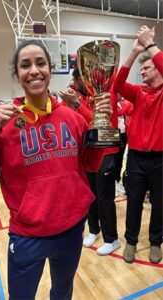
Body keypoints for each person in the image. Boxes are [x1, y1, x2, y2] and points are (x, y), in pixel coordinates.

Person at [0, 40, 111, 299]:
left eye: (40, 63)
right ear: (17, 74)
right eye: (25, 65)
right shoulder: (6, 125)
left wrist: (101, 126)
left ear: (50, 69)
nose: (34, 70)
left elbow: (90, 163)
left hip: (70, 228)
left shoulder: (72, 118)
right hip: (28, 234)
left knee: (62, 291)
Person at [113, 25, 163, 264]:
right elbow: (117, 85)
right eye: (140, 68)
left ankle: (155, 242)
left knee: (160, 203)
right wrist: (134, 52)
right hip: (136, 158)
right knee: (134, 202)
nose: (141, 72)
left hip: (160, 159)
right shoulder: (138, 93)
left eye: (146, 67)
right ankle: (131, 241)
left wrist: (151, 45)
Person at [60, 67, 121, 256]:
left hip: (106, 151)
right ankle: (94, 230)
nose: (75, 85)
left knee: (105, 198)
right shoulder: (83, 97)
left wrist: (76, 104)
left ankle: (112, 239)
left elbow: (98, 125)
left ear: (84, 80)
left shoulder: (103, 95)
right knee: (90, 196)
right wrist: (69, 103)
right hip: (88, 152)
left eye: (77, 81)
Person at [115, 94, 133, 196]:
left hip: (123, 134)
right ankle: (113, 182)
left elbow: (129, 112)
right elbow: (119, 113)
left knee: (120, 158)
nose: (121, 94)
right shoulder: (113, 103)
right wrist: (128, 105)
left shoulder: (121, 103)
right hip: (114, 134)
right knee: (114, 159)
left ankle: (117, 181)